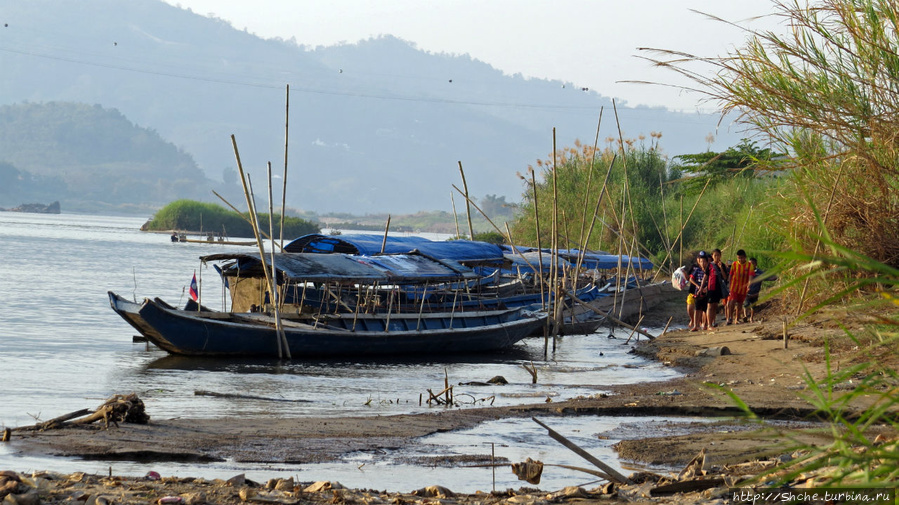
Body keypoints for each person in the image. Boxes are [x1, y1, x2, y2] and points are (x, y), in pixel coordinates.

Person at [726, 249, 755, 324]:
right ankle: (730, 318)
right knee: (732, 301)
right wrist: (729, 284)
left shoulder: (749, 265)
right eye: (739, 258)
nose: (740, 259)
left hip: (743, 288)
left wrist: (749, 285)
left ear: (745, 257)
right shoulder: (734, 264)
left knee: (740, 304)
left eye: (742, 258)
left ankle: (737, 319)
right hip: (734, 286)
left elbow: (751, 276)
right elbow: (731, 275)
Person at [744, 257, 777, 322]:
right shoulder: (746, 271)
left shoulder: (759, 273)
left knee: (753, 306)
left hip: (755, 292)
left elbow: (766, 277)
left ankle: (751, 318)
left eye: (752, 264)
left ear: (756, 264)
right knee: (746, 305)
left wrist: (773, 277)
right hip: (747, 292)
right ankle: (745, 316)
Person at [689, 251, 710, 331]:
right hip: (698, 293)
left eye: (704, 261)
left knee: (705, 309)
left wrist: (706, 288)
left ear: (707, 261)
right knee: (697, 309)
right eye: (701, 261)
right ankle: (695, 325)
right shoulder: (697, 270)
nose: (703, 263)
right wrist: (698, 286)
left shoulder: (709, 270)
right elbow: (691, 279)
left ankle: (705, 325)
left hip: (707, 293)